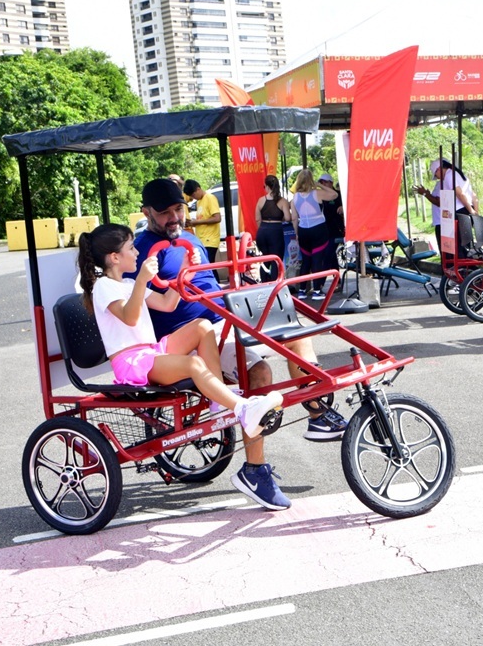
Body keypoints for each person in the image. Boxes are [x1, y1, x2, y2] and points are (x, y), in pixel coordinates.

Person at [133, 179, 348, 506]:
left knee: (292, 326)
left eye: (179, 208)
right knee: (260, 373)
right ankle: (255, 471)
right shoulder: (140, 250)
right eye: (164, 213)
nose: (174, 217)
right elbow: (134, 302)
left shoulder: (192, 239)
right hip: (185, 337)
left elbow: (214, 280)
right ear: (146, 212)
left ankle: (318, 412)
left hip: (223, 321)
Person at [77, 222, 283, 457]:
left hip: (149, 352)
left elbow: (168, 303)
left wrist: (185, 270)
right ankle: (243, 408)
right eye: (132, 248)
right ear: (114, 257)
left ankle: (217, 404)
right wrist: (143, 280)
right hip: (131, 362)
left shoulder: (129, 284)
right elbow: (130, 318)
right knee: (194, 364)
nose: (137, 253)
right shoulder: (104, 286)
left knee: (202, 327)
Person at [291, 168, 338, 300]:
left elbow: (294, 217)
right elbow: (334, 194)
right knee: (317, 259)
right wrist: (319, 185)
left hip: (303, 229)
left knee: (306, 261)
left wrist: (296, 234)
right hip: (318, 228)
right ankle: (317, 290)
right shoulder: (317, 193)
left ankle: (302, 290)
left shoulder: (295, 197)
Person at [414, 158, 477, 251]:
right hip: (464, 210)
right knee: (464, 243)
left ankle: (463, 264)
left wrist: (471, 211)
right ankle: (466, 263)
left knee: (460, 245)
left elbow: (460, 194)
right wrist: (474, 211)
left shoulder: (449, 176)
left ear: (439, 169)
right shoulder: (457, 174)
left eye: (436, 174)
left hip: (460, 211)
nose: (437, 177)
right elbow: (473, 196)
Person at [254, 174, 291, 282]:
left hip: (263, 230)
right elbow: (288, 218)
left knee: (265, 259)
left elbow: (257, 219)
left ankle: (264, 282)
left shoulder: (261, 200)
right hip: (275, 230)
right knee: (276, 259)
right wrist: (280, 218)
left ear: (267, 186)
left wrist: (261, 228)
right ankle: (275, 284)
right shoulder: (282, 201)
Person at [183, 179, 221, 262]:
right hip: (202, 240)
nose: (193, 198)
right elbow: (203, 219)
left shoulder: (210, 198)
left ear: (198, 189)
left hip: (210, 240)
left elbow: (217, 218)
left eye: (193, 195)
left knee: (209, 266)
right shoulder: (199, 202)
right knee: (206, 266)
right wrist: (192, 223)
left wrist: (197, 222)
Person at [318, 173, 345, 270]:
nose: (323, 185)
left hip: (336, 228)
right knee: (331, 254)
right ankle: (337, 280)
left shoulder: (337, 195)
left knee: (328, 254)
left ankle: (320, 282)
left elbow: (349, 206)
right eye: (321, 182)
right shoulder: (319, 196)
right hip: (324, 229)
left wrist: (343, 208)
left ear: (331, 183)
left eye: (325, 182)